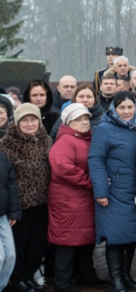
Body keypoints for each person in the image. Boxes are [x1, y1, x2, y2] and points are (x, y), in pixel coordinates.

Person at [87, 91, 136, 292]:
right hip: (114, 191)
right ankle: (117, 280)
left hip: (135, 190)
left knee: (131, 235)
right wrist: (101, 191)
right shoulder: (104, 128)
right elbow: (96, 159)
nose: (126, 111)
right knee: (115, 237)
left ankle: (126, 275)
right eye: (122, 107)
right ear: (114, 108)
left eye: (130, 107)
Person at [48, 104, 109, 292]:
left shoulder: (85, 139)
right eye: (78, 119)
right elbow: (63, 168)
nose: (84, 122)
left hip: (81, 201)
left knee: (84, 241)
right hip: (68, 202)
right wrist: (91, 181)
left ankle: (86, 277)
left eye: (85, 118)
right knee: (66, 243)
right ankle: (62, 284)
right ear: (68, 123)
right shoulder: (66, 141)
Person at [1, 103, 51, 292]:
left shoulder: (46, 140)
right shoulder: (6, 144)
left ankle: (29, 276)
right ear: (17, 122)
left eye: (33, 120)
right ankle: (18, 279)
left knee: (37, 244)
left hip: (43, 202)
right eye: (25, 120)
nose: (30, 124)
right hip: (19, 205)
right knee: (19, 245)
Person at [0, 125, 21, 290]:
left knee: (10, 255)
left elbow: (11, 185)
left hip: (2, 214)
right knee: (0, 257)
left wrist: (13, 211)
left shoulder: (2, 157)